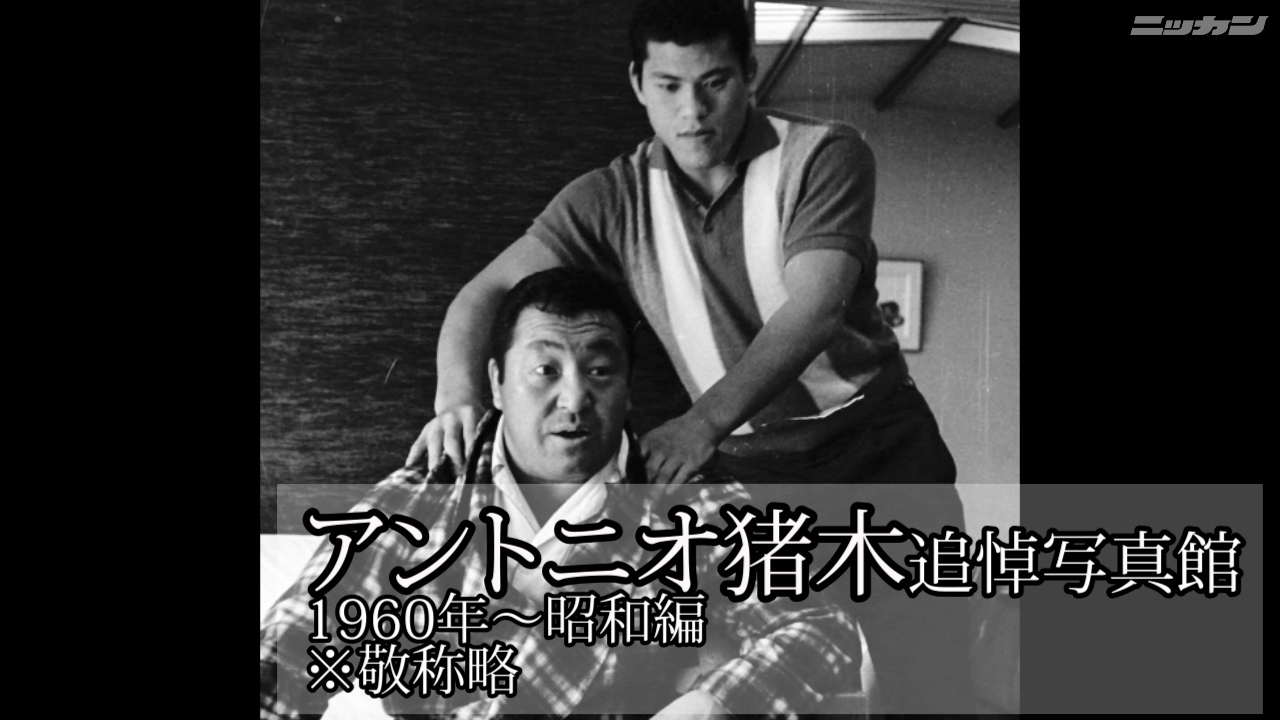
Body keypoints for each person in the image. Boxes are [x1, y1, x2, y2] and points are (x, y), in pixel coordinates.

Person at [406, 0, 973, 713]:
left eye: (714, 82)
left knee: (930, 686)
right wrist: (457, 396)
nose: (692, 112)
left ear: (750, 74)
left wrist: (700, 424)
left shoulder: (825, 153)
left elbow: (816, 307)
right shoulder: (609, 197)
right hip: (752, 479)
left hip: (880, 453)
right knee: (797, 676)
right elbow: (485, 293)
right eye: (669, 85)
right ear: (638, 83)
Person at [261, 268, 862, 719]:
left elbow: (820, 627)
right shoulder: (420, 499)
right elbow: (290, 645)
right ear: (497, 382)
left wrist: (711, 705)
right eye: (545, 370)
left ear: (627, 388)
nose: (574, 399)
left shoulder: (690, 504)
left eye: (599, 371)